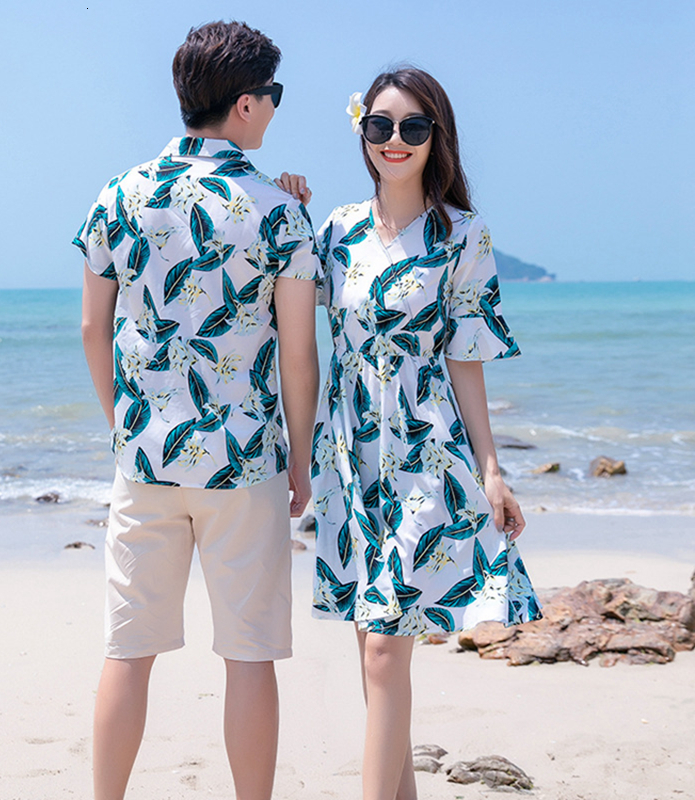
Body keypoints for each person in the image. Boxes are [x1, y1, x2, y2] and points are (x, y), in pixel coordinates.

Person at [279, 66, 542, 800]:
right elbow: (284, 319)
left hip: (427, 454)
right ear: (362, 131)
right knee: (373, 653)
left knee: (388, 654)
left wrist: (492, 469)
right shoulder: (334, 230)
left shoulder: (463, 234)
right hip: (351, 453)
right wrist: (283, 204)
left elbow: (466, 360)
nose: (396, 141)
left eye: (414, 127)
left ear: (436, 138)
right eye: (381, 126)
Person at [74, 21, 320, 800]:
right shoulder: (278, 213)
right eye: (273, 96)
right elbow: (297, 354)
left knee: (128, 650)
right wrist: (302, 460)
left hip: (143, 455)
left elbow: (92, 326)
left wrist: (123, 422)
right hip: (244, 461)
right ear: (245, 105)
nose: (275, 110)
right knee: (248, 654)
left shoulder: (119, 193)